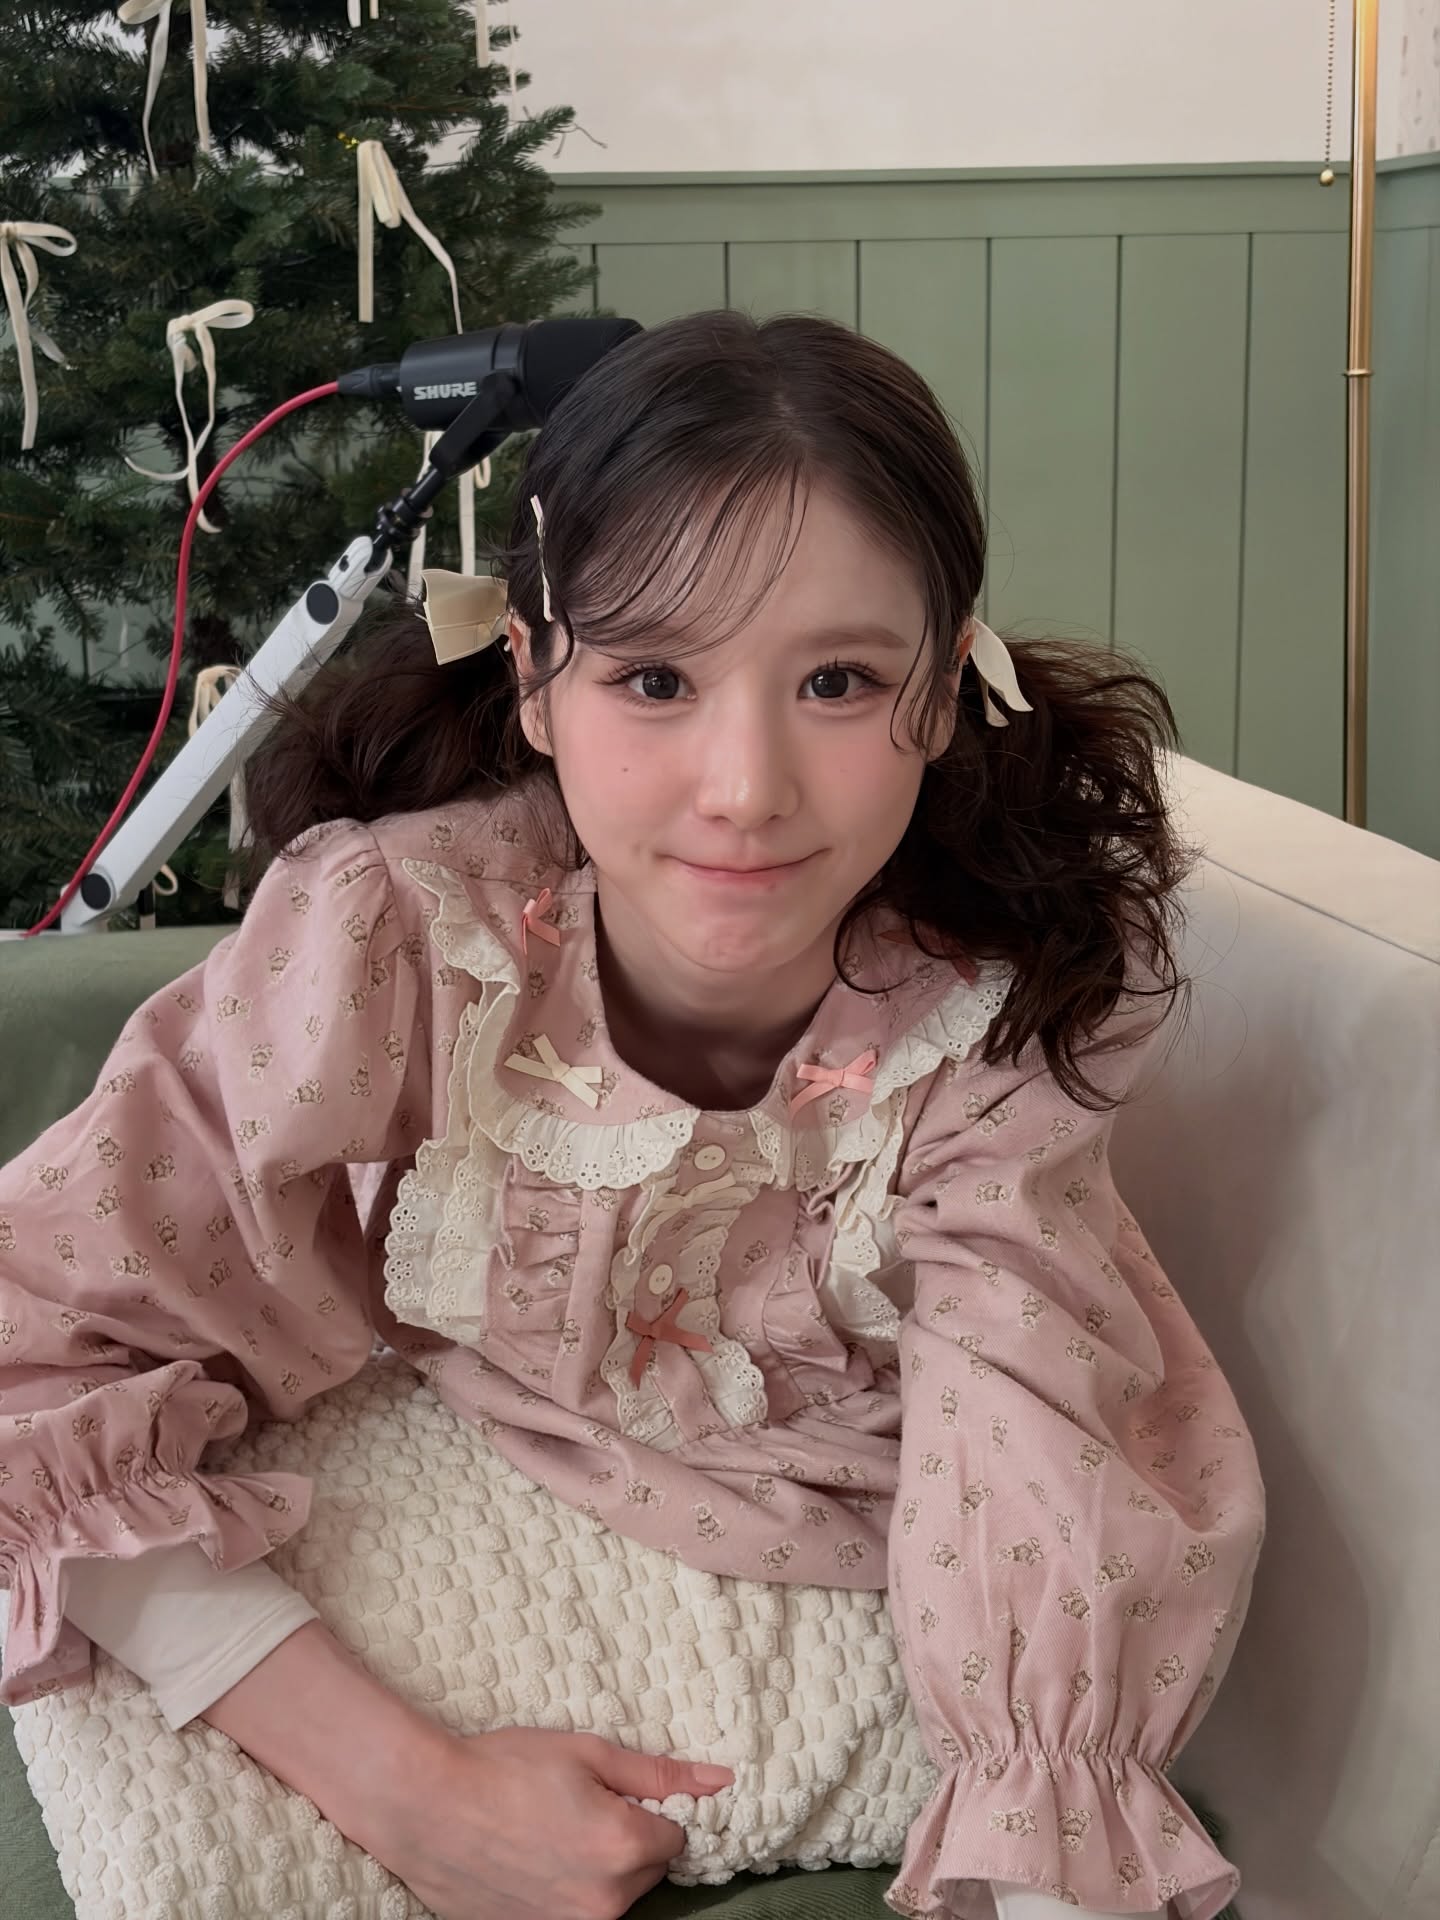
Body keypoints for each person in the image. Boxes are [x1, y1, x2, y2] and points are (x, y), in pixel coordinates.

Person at [0, 309, 1264, 1920]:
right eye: (655, 678)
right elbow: (47, 1310)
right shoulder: (401, 933)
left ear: (945, 692)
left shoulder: (979, 1030)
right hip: (445, 1475)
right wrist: (415, 1795)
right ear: (535, 679)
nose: (744, 786)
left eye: (837, 681)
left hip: (806, 1585)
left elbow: (1041, 1473)